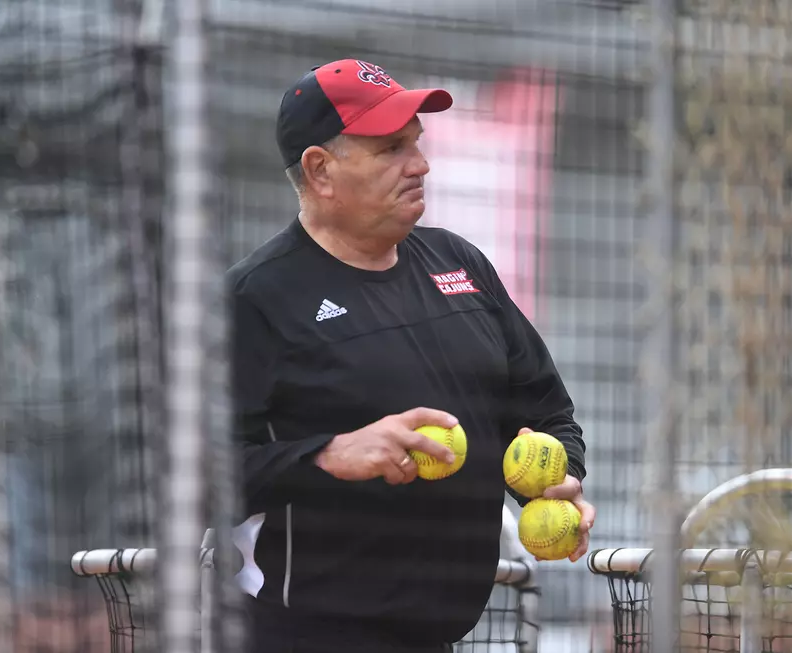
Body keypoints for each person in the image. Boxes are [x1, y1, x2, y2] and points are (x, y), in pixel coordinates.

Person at [227, 58, 595, 653]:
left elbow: (547, 413)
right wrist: (330, 455)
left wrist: (558, 482)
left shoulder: (462, 266)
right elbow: (197, 476)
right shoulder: (257, 297)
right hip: (302, 635)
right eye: (390, 149)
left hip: (437, 635)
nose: (419, 165)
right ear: (320, 170)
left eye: (416, 144)